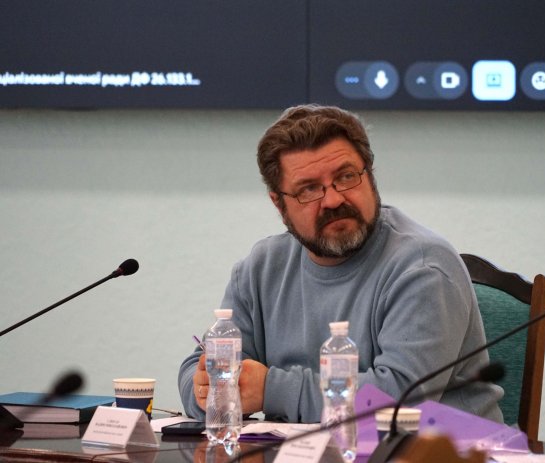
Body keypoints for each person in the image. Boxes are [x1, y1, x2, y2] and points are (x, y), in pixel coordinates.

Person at [178, 104, 503, 424]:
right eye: (309, 189)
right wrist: (208, 388)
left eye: (346, 177)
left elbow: (398, 399)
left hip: (445, 449)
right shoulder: (261, 269)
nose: (333, 200)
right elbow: (200, 366)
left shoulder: (422, 266)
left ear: (370, 175)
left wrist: (270, 390)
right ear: (279, 204)